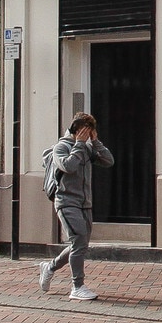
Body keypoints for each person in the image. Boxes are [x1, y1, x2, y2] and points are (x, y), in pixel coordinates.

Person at [38, 111, 111, 301]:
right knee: (78, 241)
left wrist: (95, 143)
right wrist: (79, 144)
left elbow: (108, 161)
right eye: (85, 131)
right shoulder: (61, 148)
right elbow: (68, 166)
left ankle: (50, 267)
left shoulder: (87, 148)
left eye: (90, 131)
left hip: (84, 203)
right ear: (76, 129)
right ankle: (77, 286)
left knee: (80, 244)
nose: (87, 134)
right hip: (66, 202)